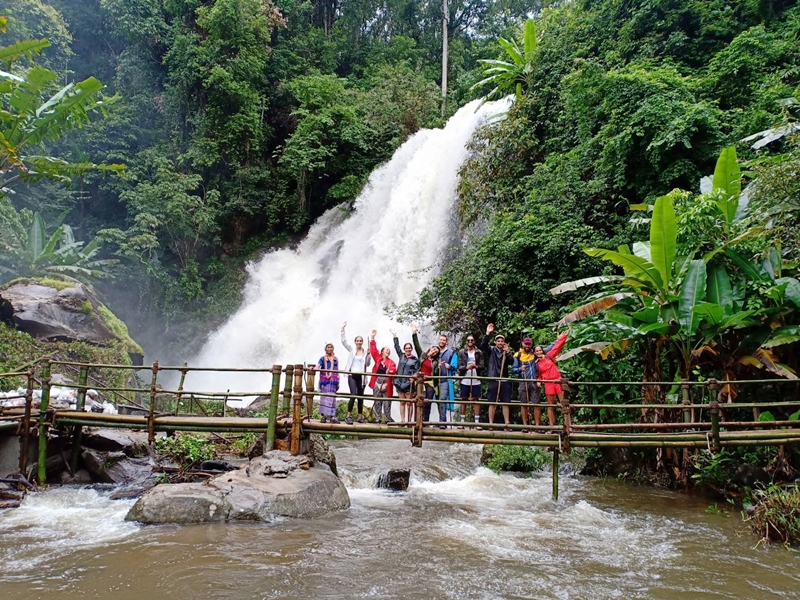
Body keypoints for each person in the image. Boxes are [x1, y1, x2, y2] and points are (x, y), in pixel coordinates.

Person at [480, 323, 514, 429]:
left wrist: (508, 352)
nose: (500, 342)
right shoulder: (492, 350)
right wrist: (487, 333)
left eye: (501, 341)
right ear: (495, 342)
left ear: (504, 343)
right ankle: (491, 423)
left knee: (505, 402)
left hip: (504, 378)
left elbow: (512, 362)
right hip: (493, 378)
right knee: (492, 402)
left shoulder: (507, 352)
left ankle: (507, 424)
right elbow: (483, 345)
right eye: (498, 341)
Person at [535, 330, 570, 427]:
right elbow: (539, 375)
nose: (539, 352)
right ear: (534, 353)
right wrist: (539, 381)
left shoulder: (549, 356)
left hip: (558, 380)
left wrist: (562, 338)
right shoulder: (536, 364)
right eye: (537, 351)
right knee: (550, 405)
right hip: (548, 383)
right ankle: (552, 426)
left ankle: (568, 426)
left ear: (542, 351)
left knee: (564, 403)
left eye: (540, 350)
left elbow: (557, 347)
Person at [341, 322, 372, 424]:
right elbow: (344, 342)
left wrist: (368, 354)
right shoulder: (351, 350)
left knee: (360, 396)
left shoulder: (365, 352)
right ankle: (348, 416)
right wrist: (342, 330)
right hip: (352, 375)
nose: (359, 342)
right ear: (355, 342)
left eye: (360, 341)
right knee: (353, 395)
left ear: (362, 342)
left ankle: (360, 416)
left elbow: (367, 364)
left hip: (361, 377)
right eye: (357, 341)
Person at [390, 325, 421, 423]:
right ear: (404, 349)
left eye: (409, 348)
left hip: (408, 384)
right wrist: (395, 336)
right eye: (406, 348)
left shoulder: (415, 360)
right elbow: (397, 347)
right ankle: (403, 420)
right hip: (399, 382)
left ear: (411, 349)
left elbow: (417, 370)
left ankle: (409, 421)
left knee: (409, 403)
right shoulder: (401, 356)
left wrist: (414, 378)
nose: (408, 349)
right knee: (402, 402)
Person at [513, 337, 546, 428]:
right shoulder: (517, 355)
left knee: (536, 404)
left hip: (533, 381)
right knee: (524, 404)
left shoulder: (534, 353)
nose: (527, 346)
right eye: (526, 344)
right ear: (522, 344)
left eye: (529, 344)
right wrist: (520, 369)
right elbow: (513, 370)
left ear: (531, 345)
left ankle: (537, 426)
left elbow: (548, 349)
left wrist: (558, 340)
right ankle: (525, 426)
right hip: (523, 382)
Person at [369, 330, 397, 424]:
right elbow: (373, 350)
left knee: (387, 402)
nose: (388, 351)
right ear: (382, 352)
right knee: (377, 401)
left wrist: (390, 371)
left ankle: (388, 418)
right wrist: (372, 337)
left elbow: (394, 370)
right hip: (377, 381)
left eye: (389, 350)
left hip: (387, 382)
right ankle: (378, 418)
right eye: (386, 350)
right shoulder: (377, 358)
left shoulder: (391, 362)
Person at [457, 335, 483, 427]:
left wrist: (476, 366)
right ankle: (462, 422)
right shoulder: (461, 352)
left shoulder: (478, 352)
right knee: (463, 399)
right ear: (466, 342)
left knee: (476, 399)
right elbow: (459, 367)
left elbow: (482, 365)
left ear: (474, 341)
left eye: (472, 340)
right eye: (468, 340)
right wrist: (467, 367)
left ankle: (476, 422)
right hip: (465, 379)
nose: (470, 341)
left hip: (476, 378)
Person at [419, 345, 446, 427]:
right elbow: (417, 345)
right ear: (430, 348)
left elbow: (436, 373)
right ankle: (418, 421)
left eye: (436, 352)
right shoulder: (422, 356)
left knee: (428, 402)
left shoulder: (435, 362)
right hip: (420, 382)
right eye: (434, 349)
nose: (434, 351)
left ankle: (426, 421)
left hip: (430, 383)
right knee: (419, 401)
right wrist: (414, 333)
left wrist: (438, 367)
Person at [313, 343, 340, 423]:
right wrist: (314, 368)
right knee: (325, 398)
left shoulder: (335, 359)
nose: (330, 348)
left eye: (331, 347)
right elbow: (318, 366)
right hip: (325, 381)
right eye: (328, 347)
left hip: (333, 381)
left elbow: (337, 370)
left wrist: (338, 380)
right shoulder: (322, 358)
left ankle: (332, 416)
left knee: (332, 398)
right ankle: (324, 416)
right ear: (325, 349)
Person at [436, 334, 459, 424]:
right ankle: (438, 421)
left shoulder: (451, 352)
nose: (441, 341)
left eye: (443, 340)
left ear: (446, 342)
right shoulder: (435, 351)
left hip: (445, 379)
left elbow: (455, 365)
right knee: (437, 401)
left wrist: (449, 366)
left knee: (442, 400)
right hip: (435, 380)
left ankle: (442, 422)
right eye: (440, 339)